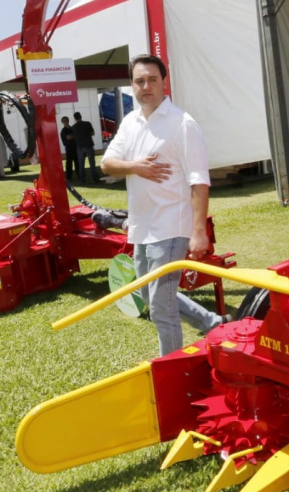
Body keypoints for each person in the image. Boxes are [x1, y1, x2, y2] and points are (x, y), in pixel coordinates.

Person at [101, 54, 226, 356]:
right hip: (141, 226)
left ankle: (171, 370)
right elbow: (107, 164)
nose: (146, 86)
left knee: (161, 307)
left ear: (163, 82)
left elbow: (199, 180)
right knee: (150, 294)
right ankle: (211, 321)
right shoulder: (131, 121)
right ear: (132, 85)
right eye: (139, 81)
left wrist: (198, 232)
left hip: (171, 226)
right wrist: (135, 167)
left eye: (152, 80)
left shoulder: (182, 123)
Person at [72, 111, 101, 183]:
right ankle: (94, 179)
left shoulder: (74, 127)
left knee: (81, 165)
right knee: (92, 164)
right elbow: (92, 133)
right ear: (81, 116)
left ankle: (82, 180)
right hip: (88, 145)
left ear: (75, 118)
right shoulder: (87, 123)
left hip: (79, 146)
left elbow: (74, 136)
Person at [59, 116, 78, 180]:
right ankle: (69, 176)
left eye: (66, 120)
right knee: (69, 163)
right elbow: (68, 137)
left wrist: (74, 136)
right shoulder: (63, 131)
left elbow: (74, 135)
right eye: (64, 121)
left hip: (75, 147)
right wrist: (75, 136)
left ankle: (79, 174)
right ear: (62, 122)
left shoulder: (72, 128)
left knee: (77, 162)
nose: (66, 122)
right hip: (69, 148)